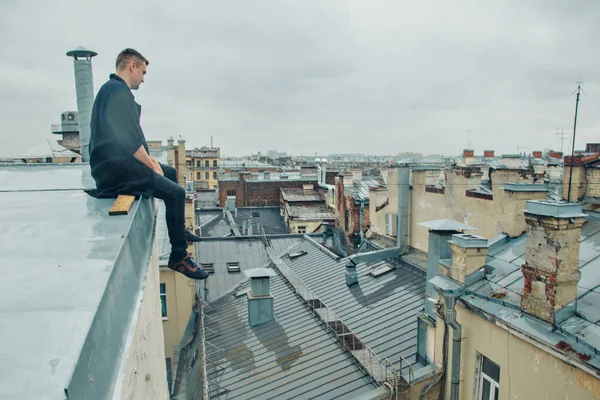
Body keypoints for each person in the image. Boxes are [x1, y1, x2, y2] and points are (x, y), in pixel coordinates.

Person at [87, 48, 208, 280]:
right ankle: (179, 257)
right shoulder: (117, 92)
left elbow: (129, 136)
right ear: (131, 65)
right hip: (116, 170)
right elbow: (127, 138)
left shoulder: (112, 91)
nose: (143, 78)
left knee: (170, 172)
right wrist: (151, 166)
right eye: (142, 72)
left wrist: (153, 162)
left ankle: (178, 229)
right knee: (176, 193)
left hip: (114, 165)